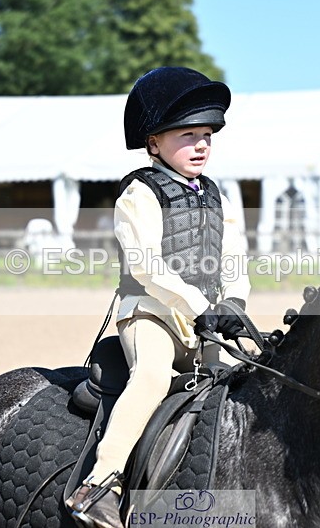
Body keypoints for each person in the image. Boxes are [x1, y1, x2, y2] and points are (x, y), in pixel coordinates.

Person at [65, 67, 251, 528]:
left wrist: (234, 303)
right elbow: (148, 266)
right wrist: (201, 306)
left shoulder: (216, 196)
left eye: (207, 134)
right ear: (154, 143)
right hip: (151, 315)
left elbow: (235, 255)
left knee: (245, 382)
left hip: (205, 321)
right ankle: (100, 483)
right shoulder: (138, 194)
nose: (202, 144)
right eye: (188, 135)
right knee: (150, 377)